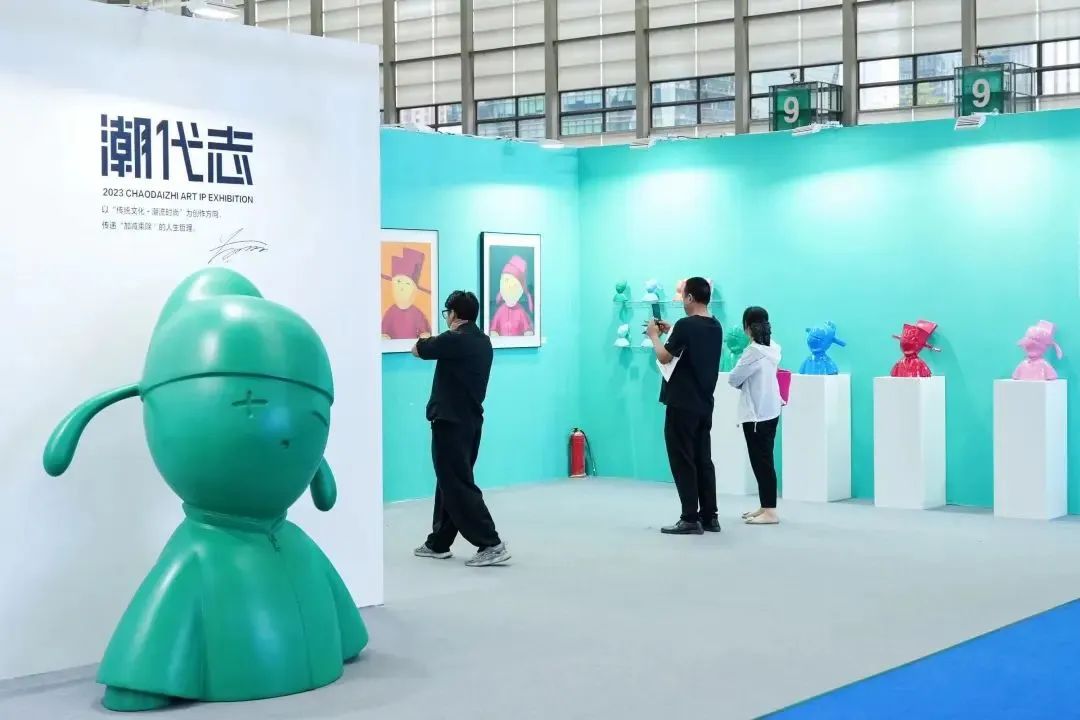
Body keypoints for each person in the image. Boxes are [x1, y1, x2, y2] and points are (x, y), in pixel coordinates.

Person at [411, 290, 511, 567]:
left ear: (454, 314)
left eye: (447, 312)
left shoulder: (454, 339)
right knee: (450, 482)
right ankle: (438, 543)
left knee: (457, 484)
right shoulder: (482, 341)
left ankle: (491, 543)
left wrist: (424, 338)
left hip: (450, 423)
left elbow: (419, 349)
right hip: (470, 421)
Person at [646, 277, 723, 535]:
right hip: (704, 403)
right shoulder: (715, 326)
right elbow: (691, 346)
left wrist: (654, 336)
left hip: (681, 402)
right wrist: (671, 332)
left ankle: (689, 517)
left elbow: (664, 356)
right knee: (703, 459)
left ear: (690, 297)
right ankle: (710, 516)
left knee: (682, 459)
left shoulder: (685, 325)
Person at [729, 306, 783, 525]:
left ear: (747, 328)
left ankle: (770, 512)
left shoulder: (753, 352)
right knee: (765, 460)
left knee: (762, 463)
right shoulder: (774, 348)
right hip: (771, 410)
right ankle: (765, 505)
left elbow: (733, 378)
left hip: (756, 415)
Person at [381, 247, 432, 340]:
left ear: (414, 290)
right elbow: (382, 332)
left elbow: (426, 333)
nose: (402, 287)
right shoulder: (390, 313)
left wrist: (425, 335)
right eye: (399, 281)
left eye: (407, 284)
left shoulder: (418, 314)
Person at [490, 255, 534, 337]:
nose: (509, 289)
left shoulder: (521, 312)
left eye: (514, 287)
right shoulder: (500, 311)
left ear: (521, 291)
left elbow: (527, 330)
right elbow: (493, 329)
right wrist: (494, 334)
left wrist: (528, 334)